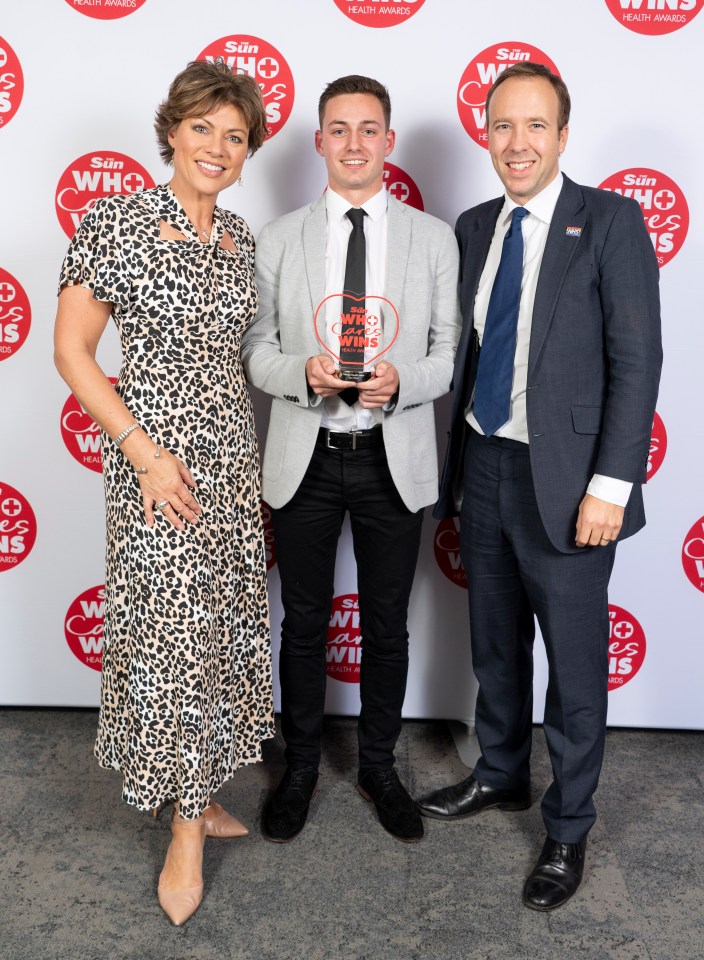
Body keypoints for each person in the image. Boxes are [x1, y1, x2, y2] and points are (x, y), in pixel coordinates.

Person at [417, 63, 662, 909]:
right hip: (484, 465)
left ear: (562, 135)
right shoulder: (476, 224)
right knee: (493, 643)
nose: (516, 143)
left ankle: (567, 828)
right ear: (486, 135)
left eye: (535, 127)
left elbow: (637, 362)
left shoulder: (611, 222)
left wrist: (612, 485)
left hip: (569, 483)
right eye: (501, 127)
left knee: (576, 667)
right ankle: (502, 773)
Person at [54, 60, 275, 925]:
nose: (218, 148)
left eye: (235, 136)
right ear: (171, 131)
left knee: (215, 629)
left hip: (229, 459)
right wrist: (145, 453)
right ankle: (184, 830)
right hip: (156, 467)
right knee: (172, 636)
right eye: (202, 129)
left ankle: (200, 789)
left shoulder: (242, 239)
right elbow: (73, 352)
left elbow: (238, 360)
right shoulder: (116, 221)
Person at [241, 75, 461, 845]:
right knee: (301, 622)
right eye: (340, 129)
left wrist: (406, 384)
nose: (355, 143)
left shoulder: (434, 239)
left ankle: (377, 765)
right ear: (320, 142)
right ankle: (299, 767)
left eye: (370, 129)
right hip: (305, 453)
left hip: (390, 457)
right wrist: (301, 372)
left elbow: (445, 358)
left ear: (389, 142)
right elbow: (256, 350)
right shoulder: (278, 237)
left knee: (388, 626)